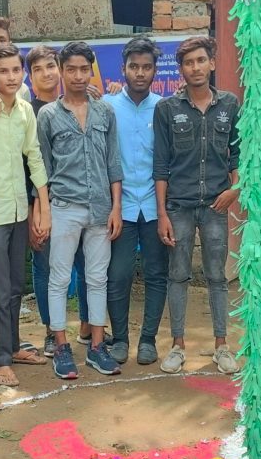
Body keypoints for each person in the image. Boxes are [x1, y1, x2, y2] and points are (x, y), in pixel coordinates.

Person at [36, 40, 124, 379]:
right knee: (59, 279)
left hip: (101, 208)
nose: (76, 76)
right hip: (64, 208)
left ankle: (97, 347)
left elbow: (113, 162)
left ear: (92, 71)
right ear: (61, 70)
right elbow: (42, 167)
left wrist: (116, 207)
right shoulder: (48, 115)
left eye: (83, 69)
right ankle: (60, 346)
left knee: (96, 278)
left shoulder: (104, 112)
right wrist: (41, 212)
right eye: (70, 69)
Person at [154, 36, 240, 375]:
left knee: (217, 276)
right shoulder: (167, 109)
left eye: (201, 60)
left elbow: (237, 154)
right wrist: (162, 213)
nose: (195, 68)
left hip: (216, 205)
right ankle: (177, 346)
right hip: (179, 206)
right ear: (181, 69)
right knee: (178, 274)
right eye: (188, 63)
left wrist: (236, 188)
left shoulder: (230, 105)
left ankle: (221, 346)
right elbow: (161, 165)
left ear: (212, 63)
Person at [0, 43, 50, 387]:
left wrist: (42, 207)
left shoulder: (25, 111)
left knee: (17, 284)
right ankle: (0, 359)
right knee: (1, 288)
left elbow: (33, 156)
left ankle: (14, 346)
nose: (11, 76)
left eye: (16, 70)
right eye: (3, 71)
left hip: (20, 208)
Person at [104, 35, 167, 366]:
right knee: (119, 274)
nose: (140, 73)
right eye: (134, 67)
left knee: (157, 273)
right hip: (122, 206)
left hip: (157, 206)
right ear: (123, 69)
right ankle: (120, 339)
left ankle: (147, 340)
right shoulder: (107, 106)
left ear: (155, 70)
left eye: (146, 67)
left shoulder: (165, 108)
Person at [26, 44, 89, 356]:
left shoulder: (85, 104)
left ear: (60, 68)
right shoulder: (30, 111)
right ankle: (53, 330)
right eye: (37, 69)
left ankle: (89, 327)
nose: (46, 73)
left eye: (50, 65)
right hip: (44, 205)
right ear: (30, 77)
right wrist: (36, 212)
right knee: (46, 266)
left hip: (82, 203)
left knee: (84, 264)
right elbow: (31, 167)